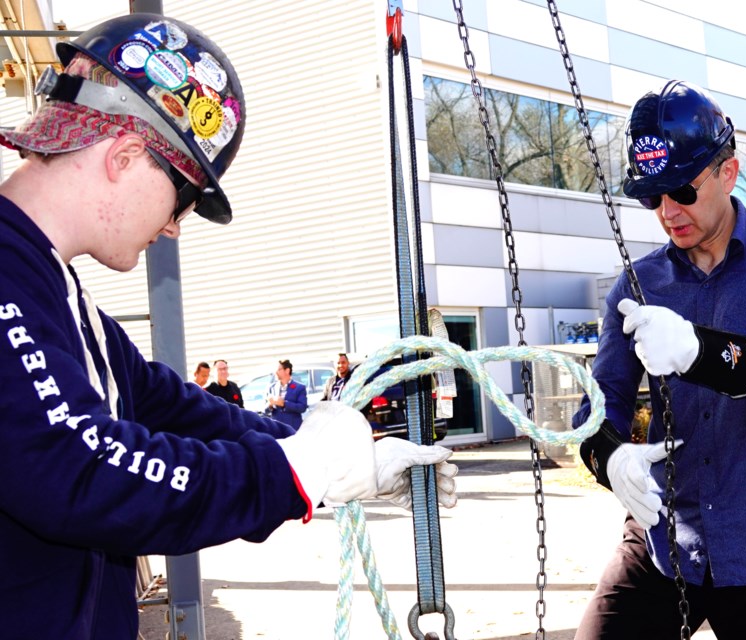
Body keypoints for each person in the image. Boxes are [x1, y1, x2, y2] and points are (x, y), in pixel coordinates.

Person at [0, 14, 457, 640]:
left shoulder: (58, 294)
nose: (173, 226)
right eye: (182, 197)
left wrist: (343, 453)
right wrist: (294, 472)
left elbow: (176, 409)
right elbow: (76, 470)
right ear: (126, 155)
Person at [572, 80, 746, 639]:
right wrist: (608, 457)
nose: (668, 212)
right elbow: (601, 402)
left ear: (728, 171)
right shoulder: (637, 283)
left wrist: (704, 354)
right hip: (664, 542)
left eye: (682, 190)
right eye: (652, 197)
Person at [266, 359, 307, 430]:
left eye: (279, 369)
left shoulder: (299, 388)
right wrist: (269, 405)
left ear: (287, 370)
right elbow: (265, 410)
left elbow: (302, 407)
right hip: (277, 428)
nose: (276, 372)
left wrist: (284, 404)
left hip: (293, 428)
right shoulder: (271, 388)